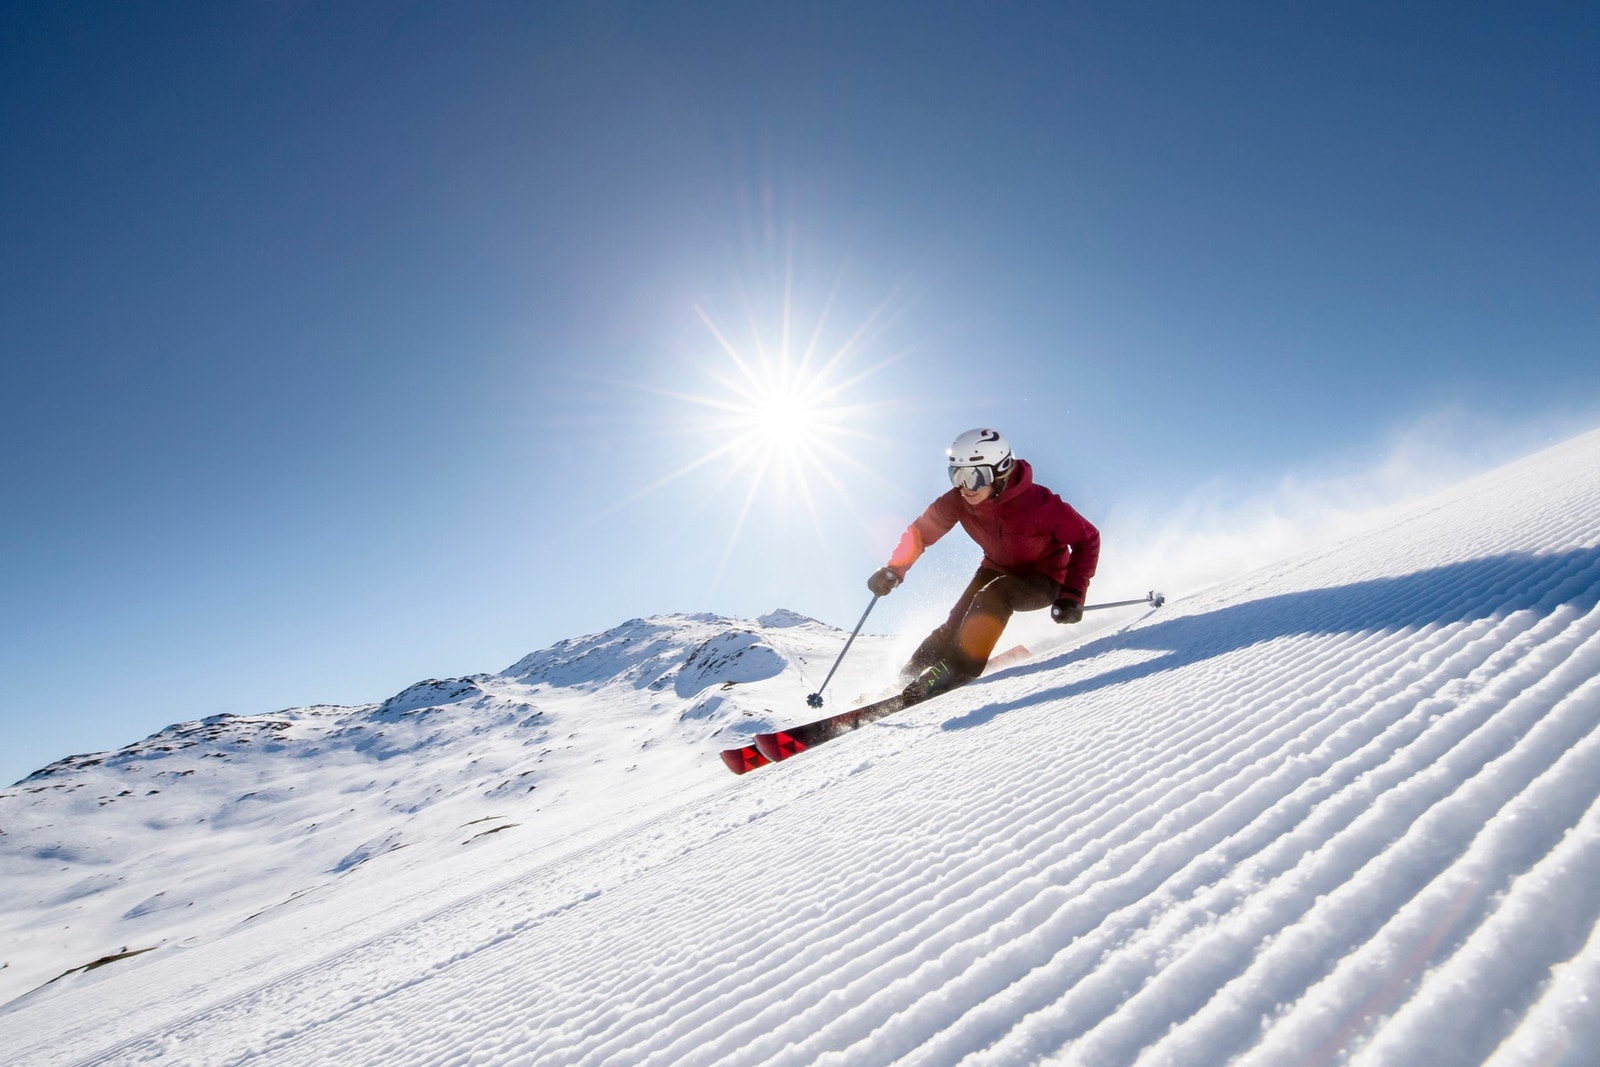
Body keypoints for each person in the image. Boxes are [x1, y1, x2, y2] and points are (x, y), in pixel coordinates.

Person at [868, 428, 1101, 702]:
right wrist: (894, 567)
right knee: (955, 622)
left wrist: (1073, 593)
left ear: (1000, 472)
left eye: (974, 477)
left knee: (993, 597)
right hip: (997, 566)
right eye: (956, 475)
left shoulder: (1039, 504)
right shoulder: (959, 500)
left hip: (1046, 576)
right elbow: (920, 532)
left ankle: (956, 669)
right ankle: (904, 681)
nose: (964, 487)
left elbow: (1088, 539)